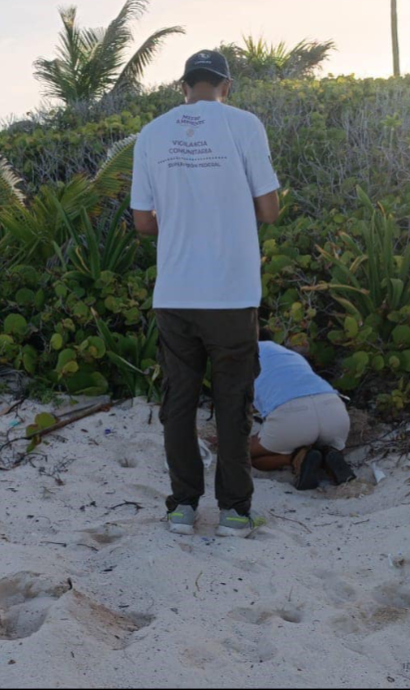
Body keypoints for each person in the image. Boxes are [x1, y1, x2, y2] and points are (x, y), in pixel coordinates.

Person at [131, 50, 281, 538]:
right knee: (234, 401)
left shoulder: (152, 134)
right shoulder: (244, 125)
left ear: (183, 87)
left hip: (174, 292)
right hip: (232, 293)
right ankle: (235, 511)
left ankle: (182, 507)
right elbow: (269, 209)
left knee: (178, 401)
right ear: (226, 86)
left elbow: (143, 223)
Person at [249, 340, 356, 491]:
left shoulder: (242, 356)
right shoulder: (290, 354)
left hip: (291, 416)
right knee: (325, 440)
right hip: (333, 407)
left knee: (244, 454)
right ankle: (328, 456)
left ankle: (296, 459)